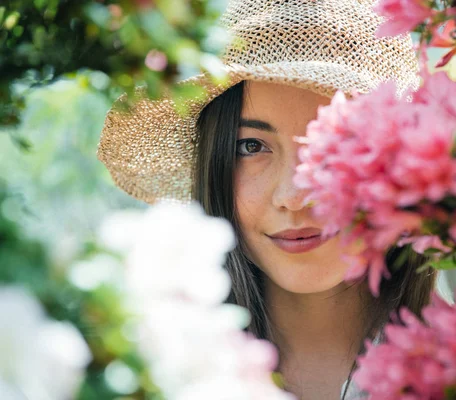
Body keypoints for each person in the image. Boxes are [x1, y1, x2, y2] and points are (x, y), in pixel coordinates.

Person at [97, 0, 438, 398]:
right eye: (251, 146)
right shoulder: (142, 371)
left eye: (338, 142)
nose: (294, 197)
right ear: (214, 161)